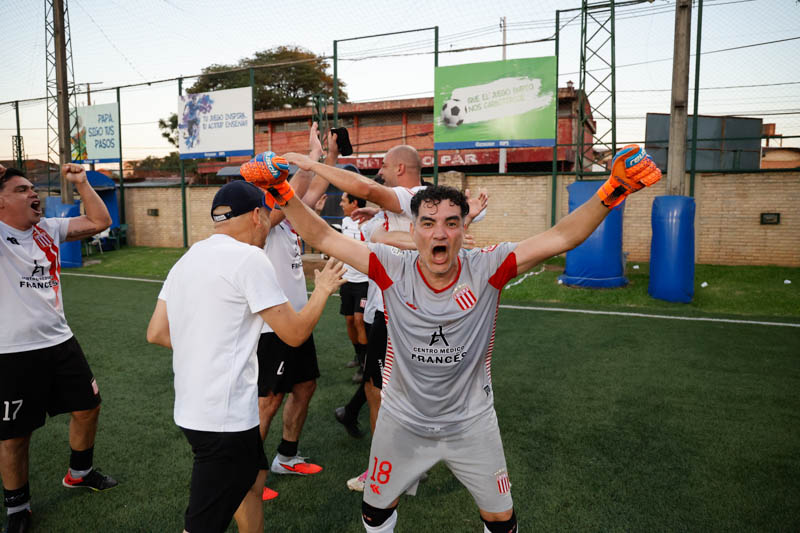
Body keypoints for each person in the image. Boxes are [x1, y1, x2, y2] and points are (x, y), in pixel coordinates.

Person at [242, 144, 661, 532]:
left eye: (450, 223)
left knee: (500, 516)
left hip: (471, 422)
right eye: (427, 223)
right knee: (375, 508)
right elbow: (324, 237)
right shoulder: (392, 265)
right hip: (402, 420)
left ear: (464, 230)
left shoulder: (489, 266)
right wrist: (280, 189)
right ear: (416, 229)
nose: (439, 234)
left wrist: (613, 188)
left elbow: (562, 236)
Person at [146, 179, 345, 533]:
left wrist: (209, 345)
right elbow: (295, 334)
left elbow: (157, 332)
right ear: (257, 215)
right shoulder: (249, 258)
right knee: (203, 523)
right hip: (224, 420)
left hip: (197, 411)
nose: (270, 227)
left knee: (251, 485)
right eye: (269, 218)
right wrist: (323, 290)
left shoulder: (189, 257)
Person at [0, 163, 117, 533]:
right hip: (11, 351)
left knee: (88, 407)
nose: (33, 193)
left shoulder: (48, 229)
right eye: (21, 190)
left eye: (32, 188)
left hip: (60, 341)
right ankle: (18, 508)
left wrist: (82, 183)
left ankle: (79, 472)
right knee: (15, 435)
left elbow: (99, 221)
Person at [247, 125, 339, 501]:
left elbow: (313, 190)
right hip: (272, 328)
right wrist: (309, 157)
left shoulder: (288, 220)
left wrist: (327, 155)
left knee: (305, 386)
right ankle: (249, 477)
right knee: (268, 400)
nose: (284, 186)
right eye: (276, 181)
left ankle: (287, 456)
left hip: (300, 323)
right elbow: (299, 190)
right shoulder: (262, 221)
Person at [338, 192, 369, 380]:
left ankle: (365, 363)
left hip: (364, 281)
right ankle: (358, 355)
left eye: (343, 201)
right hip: (347, 280)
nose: (341, 204)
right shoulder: (344, 222)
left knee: (359, 320)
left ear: (354, 203)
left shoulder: (369, 223)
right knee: (349, 320)